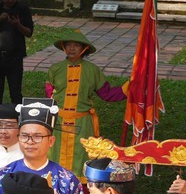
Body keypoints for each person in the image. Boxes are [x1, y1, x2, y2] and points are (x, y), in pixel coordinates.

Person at [45, 30, 127, 174]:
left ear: (84, 49)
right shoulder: (55, 69)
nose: (71, 48)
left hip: (83, 123)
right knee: (55, 153)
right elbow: (49, 97)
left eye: (76, 45)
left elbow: (107, 94)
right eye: (68, 45)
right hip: (59, 121)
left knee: (82, 156)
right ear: (64, 47)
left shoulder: (92, 70)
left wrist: (130, 87)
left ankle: (82, 188)